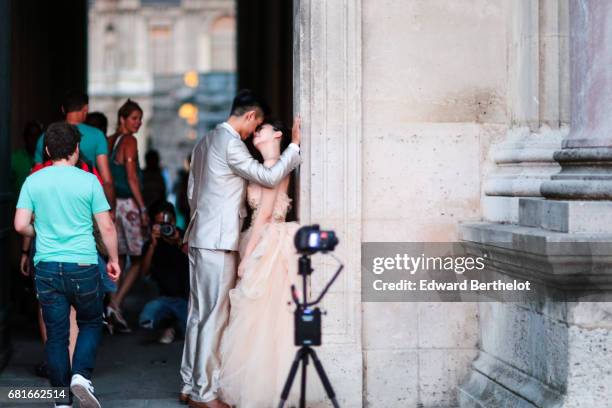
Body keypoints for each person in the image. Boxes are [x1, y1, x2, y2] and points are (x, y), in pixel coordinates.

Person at [180, 89, 302, 408]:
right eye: (255, 125)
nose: (251, 135)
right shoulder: (230, 142)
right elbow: (268, 175)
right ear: (250, 117)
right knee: (215, 316)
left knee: (197, 313)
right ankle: (204, 393)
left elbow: (192, 191)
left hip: (198, 235)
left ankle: (189, 382)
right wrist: (295, 148)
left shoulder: (204, 141)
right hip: (218, 241)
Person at [14, 121, 121, 408]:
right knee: (90, 321)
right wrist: (113, 259)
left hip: (47, 266)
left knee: (56, 334)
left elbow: (20, 224)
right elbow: (107, 227)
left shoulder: (34, 181)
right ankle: (81, 376)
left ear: (47, 150)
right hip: (83, 264)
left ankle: (61, 399)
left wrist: (42, 231)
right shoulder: (88, 181)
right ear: (76, 150)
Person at [218, 120, 301, 407]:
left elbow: (264, 214)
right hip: (260, 236)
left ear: (277, 134)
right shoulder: (266, 166)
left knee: (265, 318)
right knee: (258, 318)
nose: (256, 133)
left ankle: (263, 388)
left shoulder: (276, 166)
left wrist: (246, 255)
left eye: (261, 128)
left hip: (268, 242)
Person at [34, 91, 115, 212]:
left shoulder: (46, 136)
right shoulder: (97, 136)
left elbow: (37, 174)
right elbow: (106, 180)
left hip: (52, 204)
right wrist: (111, 209)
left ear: (63, 109)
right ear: (86, 109)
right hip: (86, 204)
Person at [106, 99, 148, 332]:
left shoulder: (108, 141)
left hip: (112, 205)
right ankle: (115, 303)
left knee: (119, 258)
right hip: (129, 206)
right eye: (134, 118)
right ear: (122, 118)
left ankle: (113, 309)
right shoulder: (129, 141)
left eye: (140, 118)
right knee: (139, 258)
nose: (138, 123)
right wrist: (142, 209)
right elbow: (132, 178)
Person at [138, 201, 189, 344]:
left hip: (186, 299)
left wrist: (178, 241)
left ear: (174, 220)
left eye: (168, 223)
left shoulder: (185, 236)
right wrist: (153, 246)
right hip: (164, 298)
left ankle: (175, 326)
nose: (165, 227)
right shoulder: (152, 243)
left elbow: (196, 261)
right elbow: (143, 273)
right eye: (160, 224)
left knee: (189, 331)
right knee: (146, 319)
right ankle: (168, 325)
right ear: (154, 225)